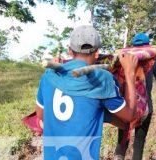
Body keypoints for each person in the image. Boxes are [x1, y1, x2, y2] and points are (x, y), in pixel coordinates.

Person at [35, 25, 138, 160]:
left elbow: (41, 114)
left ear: (70, 51)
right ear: (96, 53)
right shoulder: (102, 79)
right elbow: (129, 116)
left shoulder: (49, 75)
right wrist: (130, 73)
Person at [114, 33, 156, 160]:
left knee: (122, 140)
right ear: (148, 45)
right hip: (145, 108)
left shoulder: (124, 58)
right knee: (139, 142)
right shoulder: (154, 60)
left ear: (133, 45)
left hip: (125, 106)